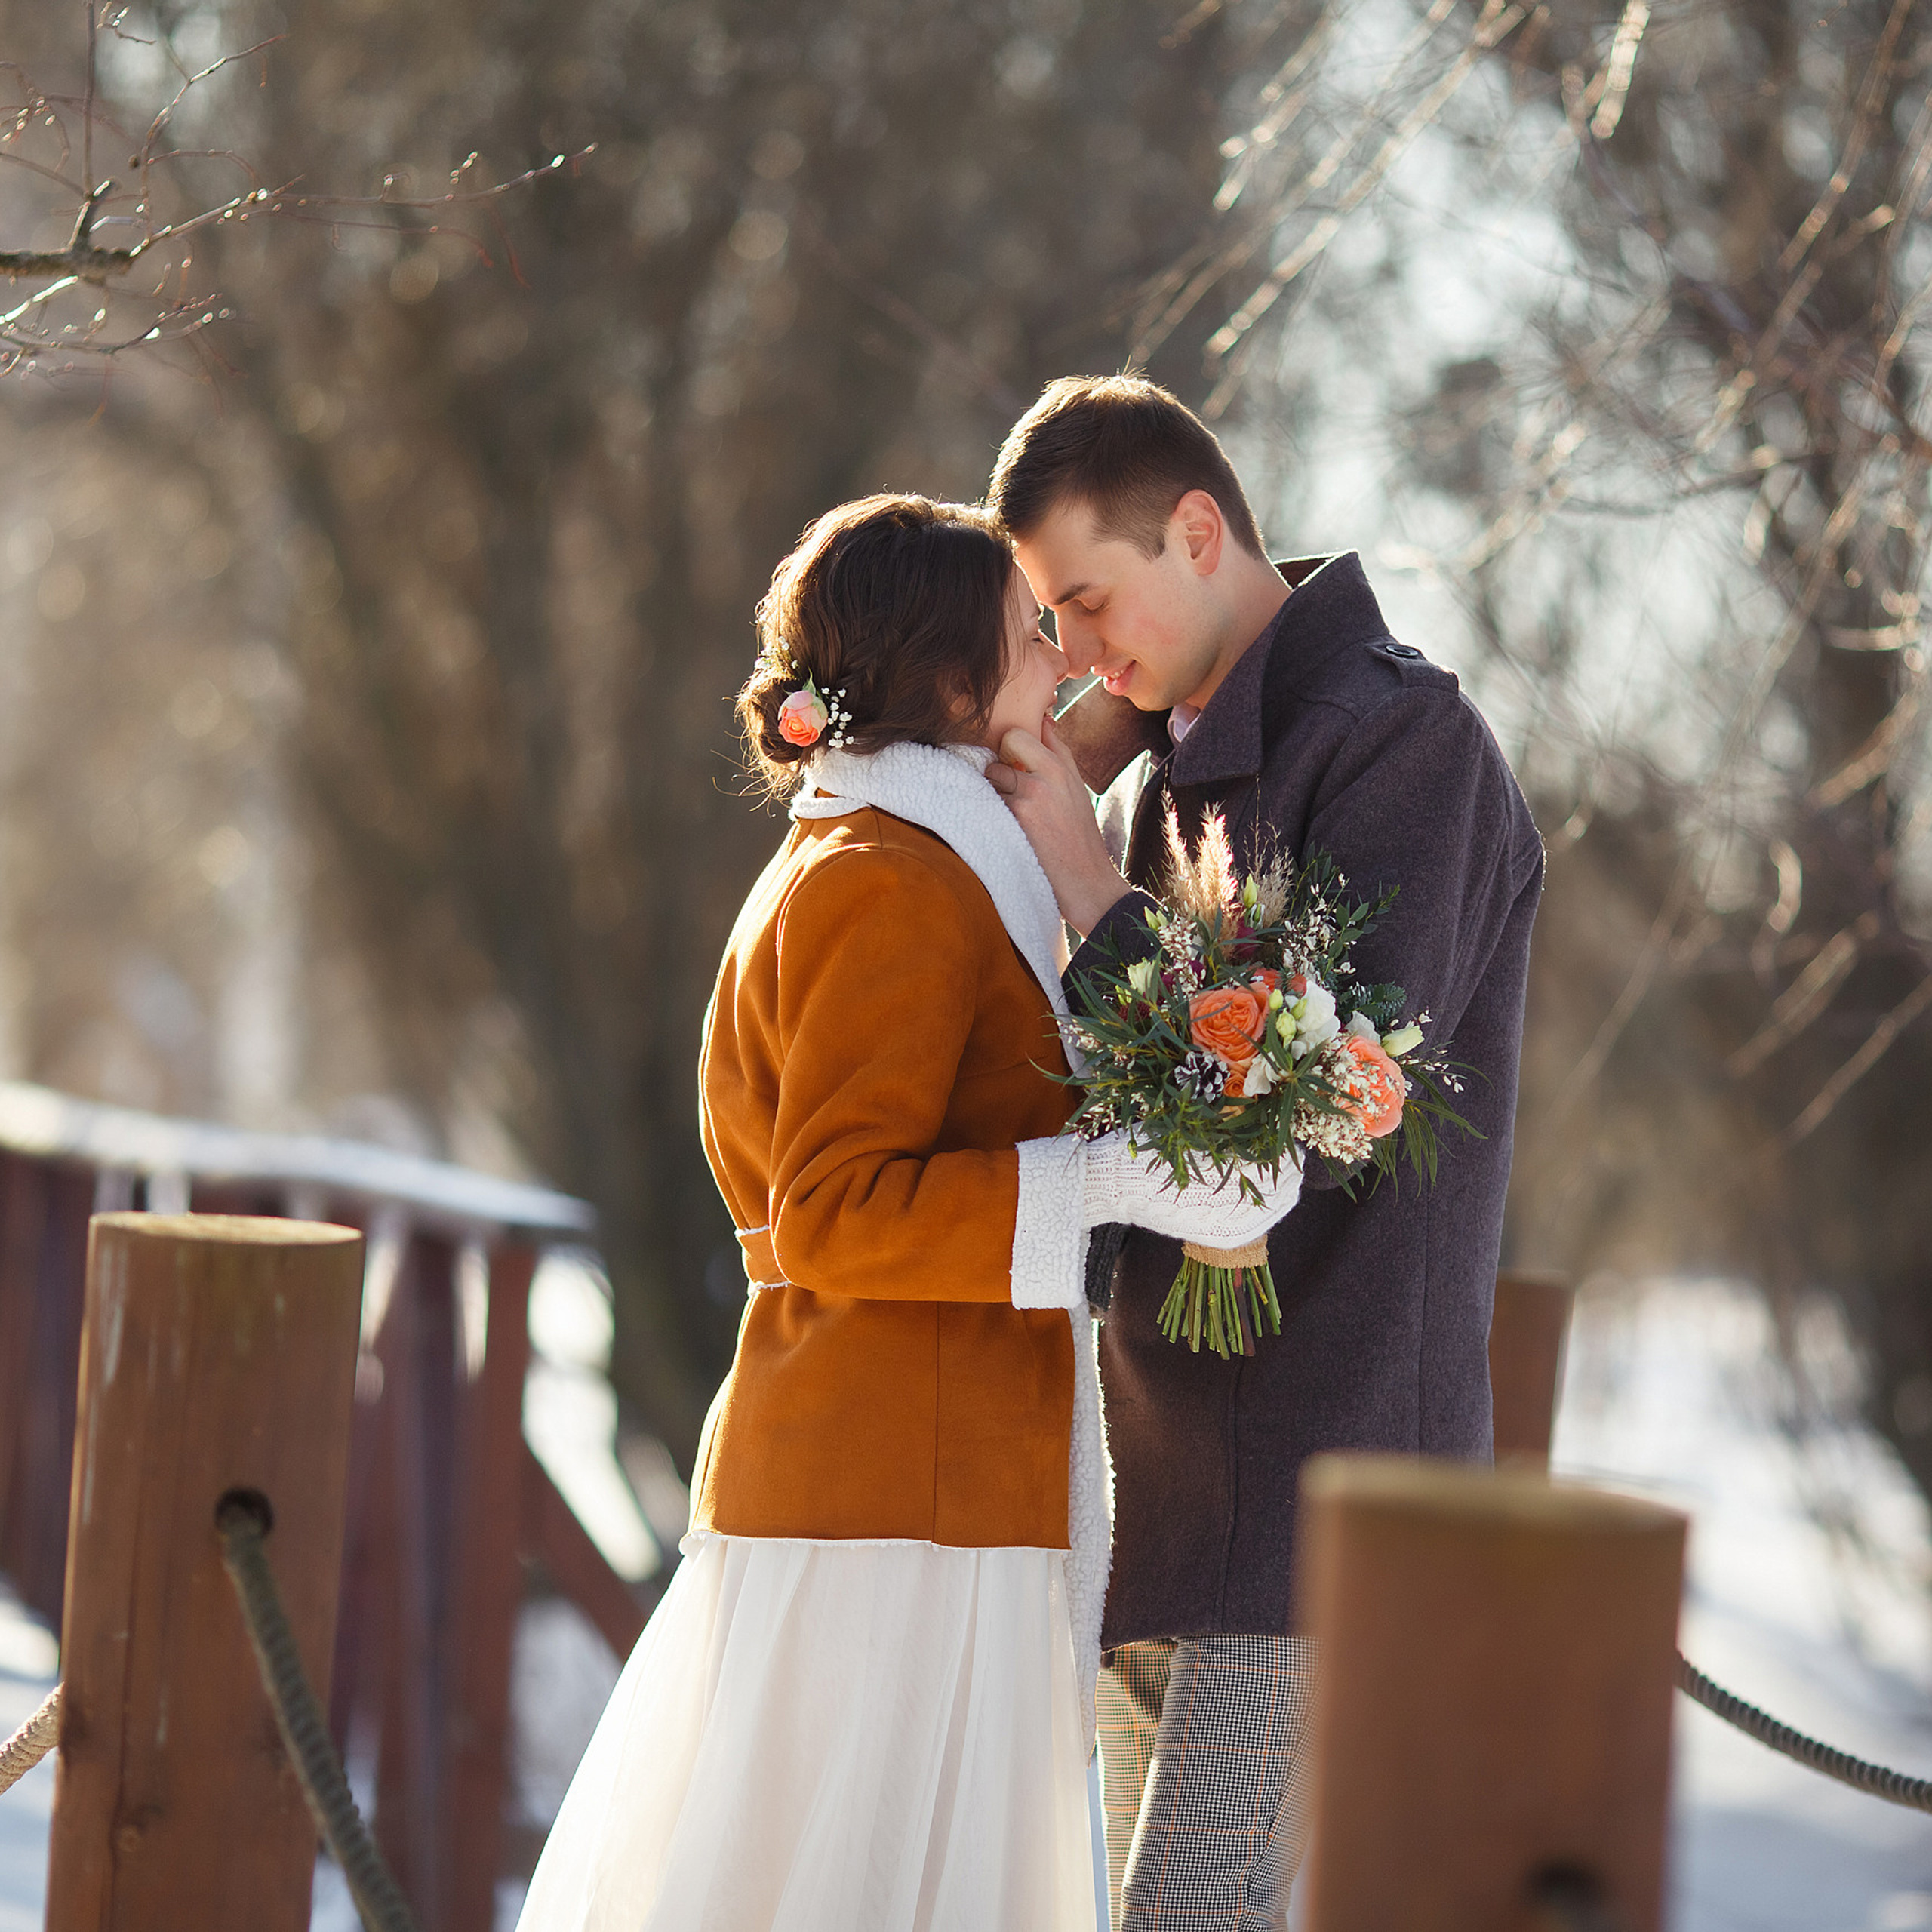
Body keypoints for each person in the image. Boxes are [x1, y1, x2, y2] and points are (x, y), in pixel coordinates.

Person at [513, 492, 1299, 1932]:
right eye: (1024, 640)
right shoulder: (888, 880)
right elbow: (832, 1210)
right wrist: (1113, 1180)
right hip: (894, 1510)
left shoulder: (910, 858)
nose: (1059, 665)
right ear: (950, 691)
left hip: (919, 1489)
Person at [985, 376, 1546, 1932]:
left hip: (1321, 1495)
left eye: (1086, 601)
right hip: (1161, 1496)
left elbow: (1295, 1105)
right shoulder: (1169, 770)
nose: (1080, 649)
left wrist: (1090, 873)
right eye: (1048, 617)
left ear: (1194, 527)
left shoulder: (1397, 743)